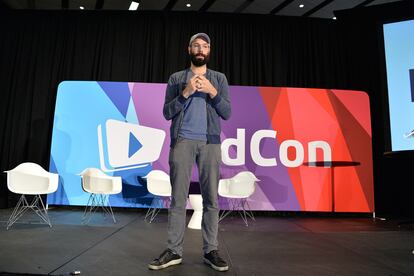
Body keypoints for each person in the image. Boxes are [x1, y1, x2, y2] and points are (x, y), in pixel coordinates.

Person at [148, 33, 231, 272]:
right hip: (182, 142)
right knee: (177, 199)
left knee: (212, 200)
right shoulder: (176, 78)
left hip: (210, 144)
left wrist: (212, 91)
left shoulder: (219, 79)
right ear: (189, 49)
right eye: (196, 45)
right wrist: (184, 93)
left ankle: (210, 250)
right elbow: (166, 112)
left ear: (209, 50)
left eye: (205, 45)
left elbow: (227, 112)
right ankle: (174, 251)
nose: (200, 48)